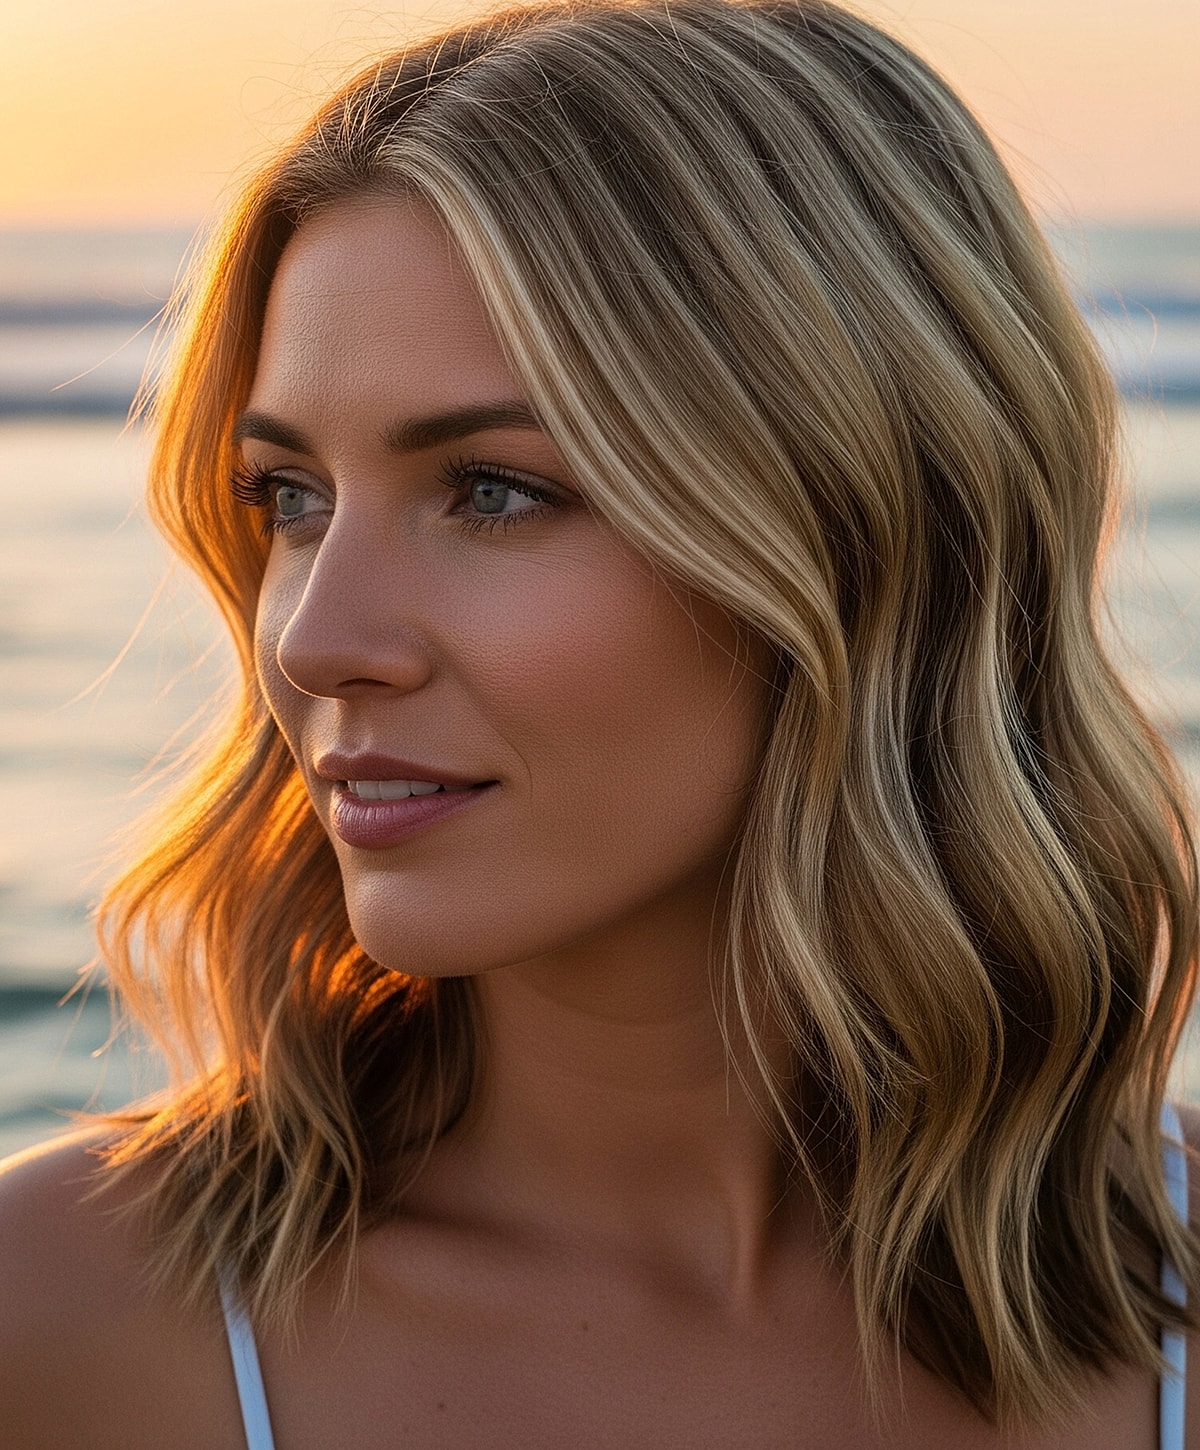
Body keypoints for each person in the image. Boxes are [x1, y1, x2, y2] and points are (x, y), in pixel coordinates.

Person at [1, 0, 1197, 1444]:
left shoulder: (1166, 1311)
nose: (316, 640)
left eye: (493, 491)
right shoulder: (67, 1314)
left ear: (864, 532)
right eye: (291, 498)